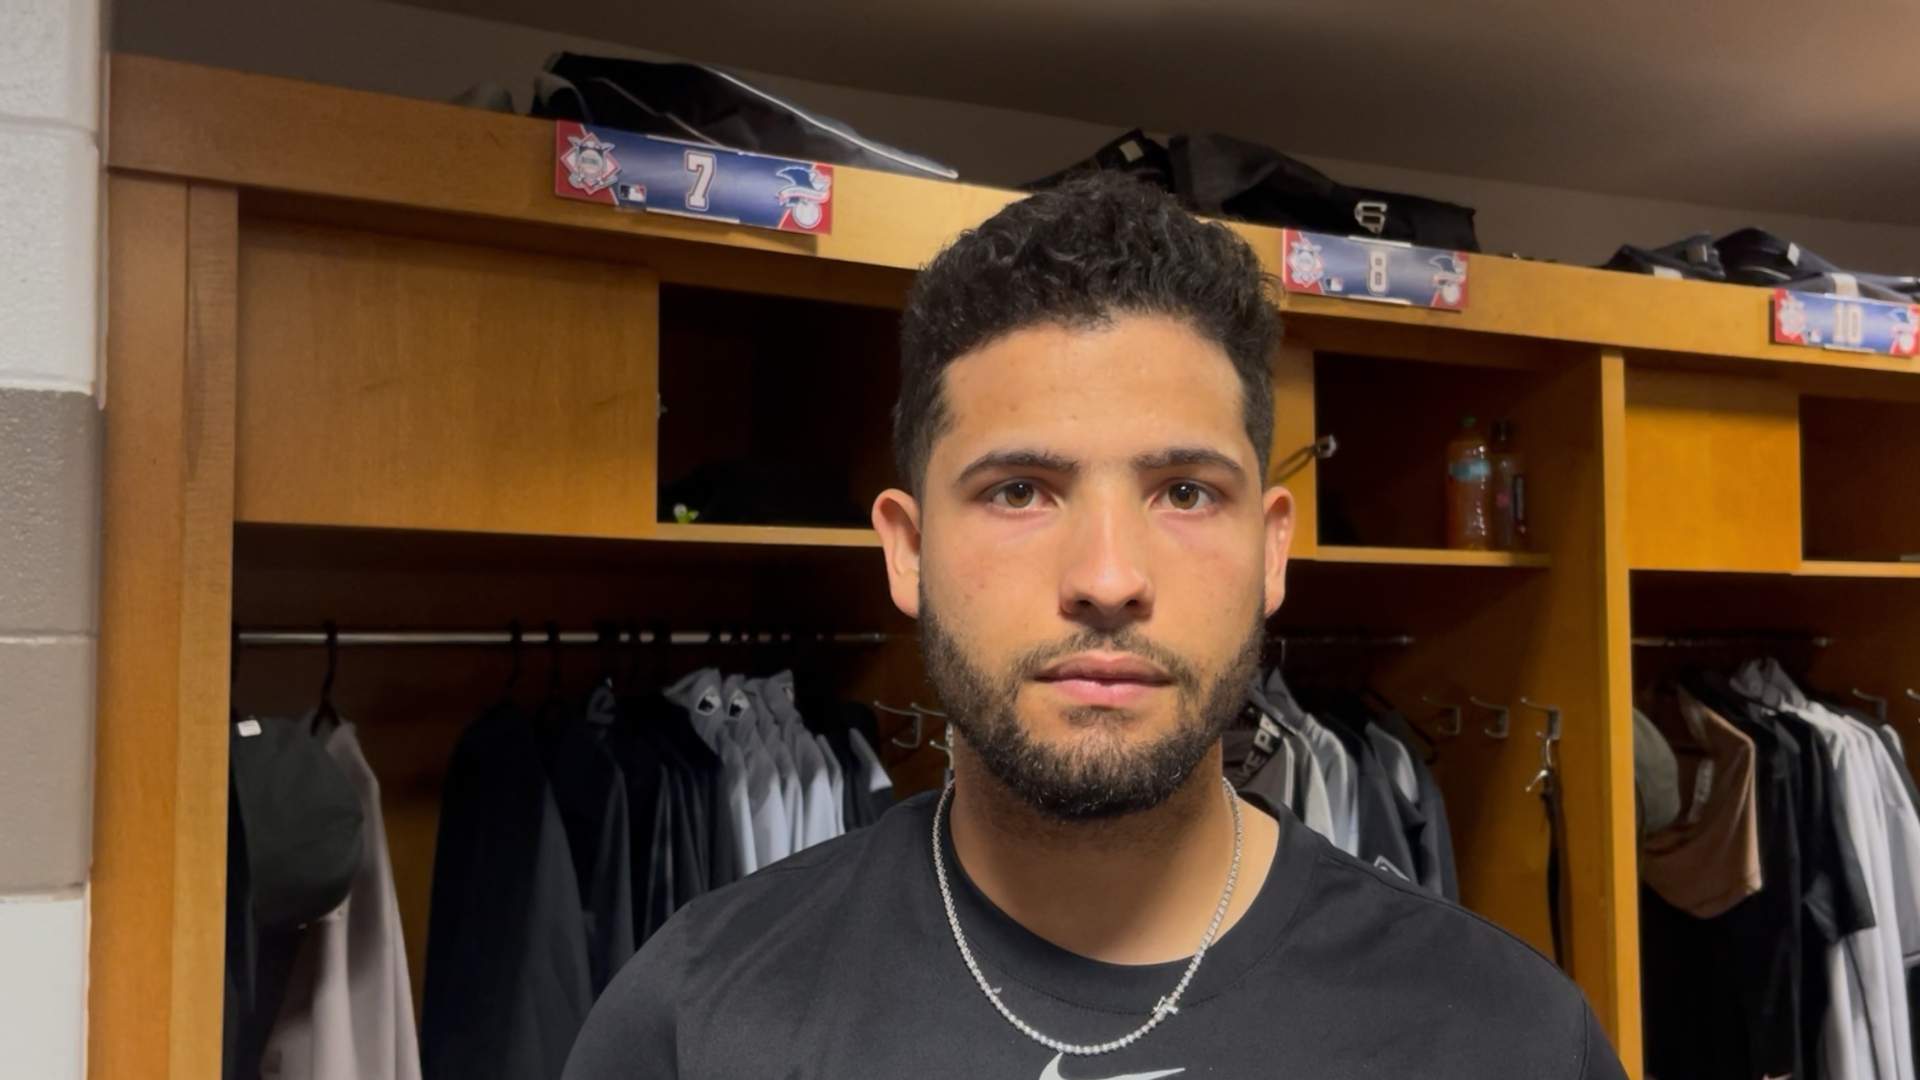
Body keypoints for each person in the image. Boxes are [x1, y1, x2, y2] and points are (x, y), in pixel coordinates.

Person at [564, 173, 1627, 1079]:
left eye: (1185, 492)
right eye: (1020, 491)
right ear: (908, 551)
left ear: (1272, 551)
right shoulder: (695, 1023)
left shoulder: (1510, 1038)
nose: (1109, 579)